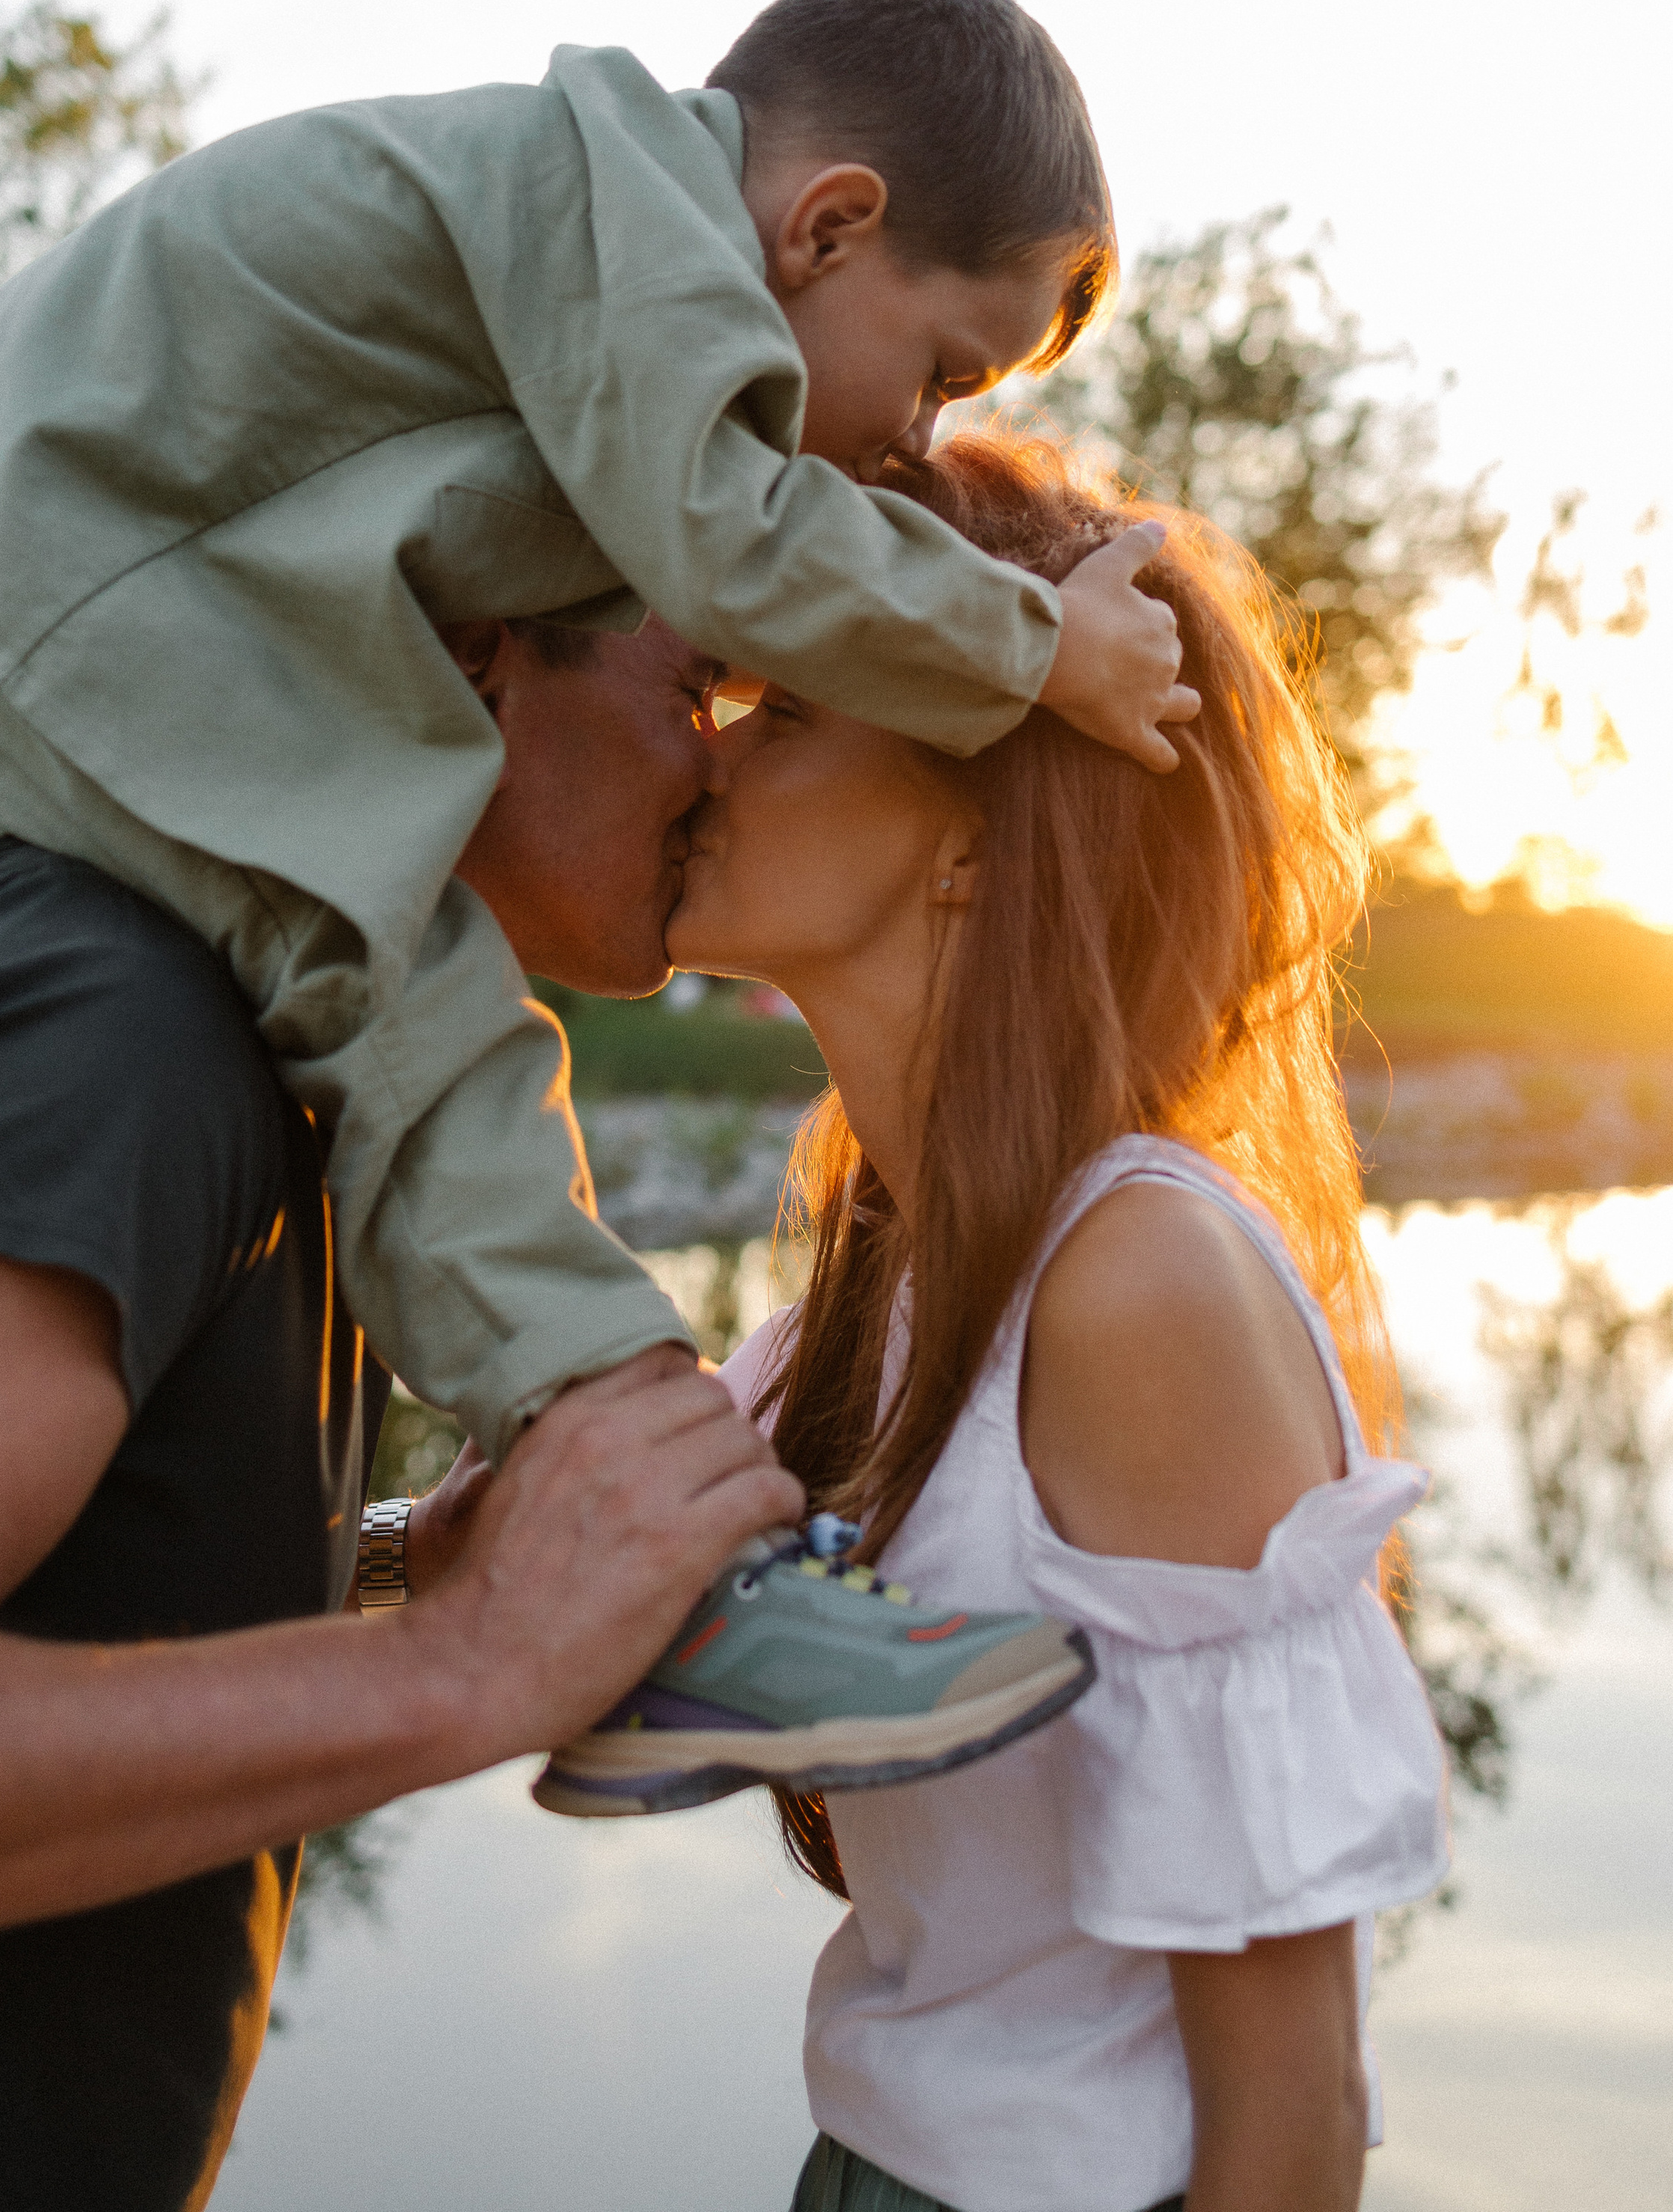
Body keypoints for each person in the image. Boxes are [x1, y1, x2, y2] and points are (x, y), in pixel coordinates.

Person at [0, 0, 1196, 1533]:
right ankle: (629, 1482)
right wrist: (1036, 650)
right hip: (68, 577)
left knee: (384, 998)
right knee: (405, 988)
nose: (916, 440)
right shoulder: (624, 236)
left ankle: (577, 1491)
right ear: (825, 225)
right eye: (946, 373)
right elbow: (727, 546)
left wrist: (394, 1580)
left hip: (55, 561)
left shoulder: (576, 256)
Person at [0, 608, 809, 2211]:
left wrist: (401, 1563)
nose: (720, 764)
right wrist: (460, 1668)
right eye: (695, 692)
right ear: (472, 654)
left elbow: (90, 1569)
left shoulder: (256, 1027)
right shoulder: (112, 1020)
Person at [561, 430, 1451, 2212]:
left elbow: (1285, 2109)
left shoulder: (1134, 1285)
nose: (706, 750)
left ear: (974, 838)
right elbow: (575, 1570)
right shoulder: (888, 1267)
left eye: (789, 715)